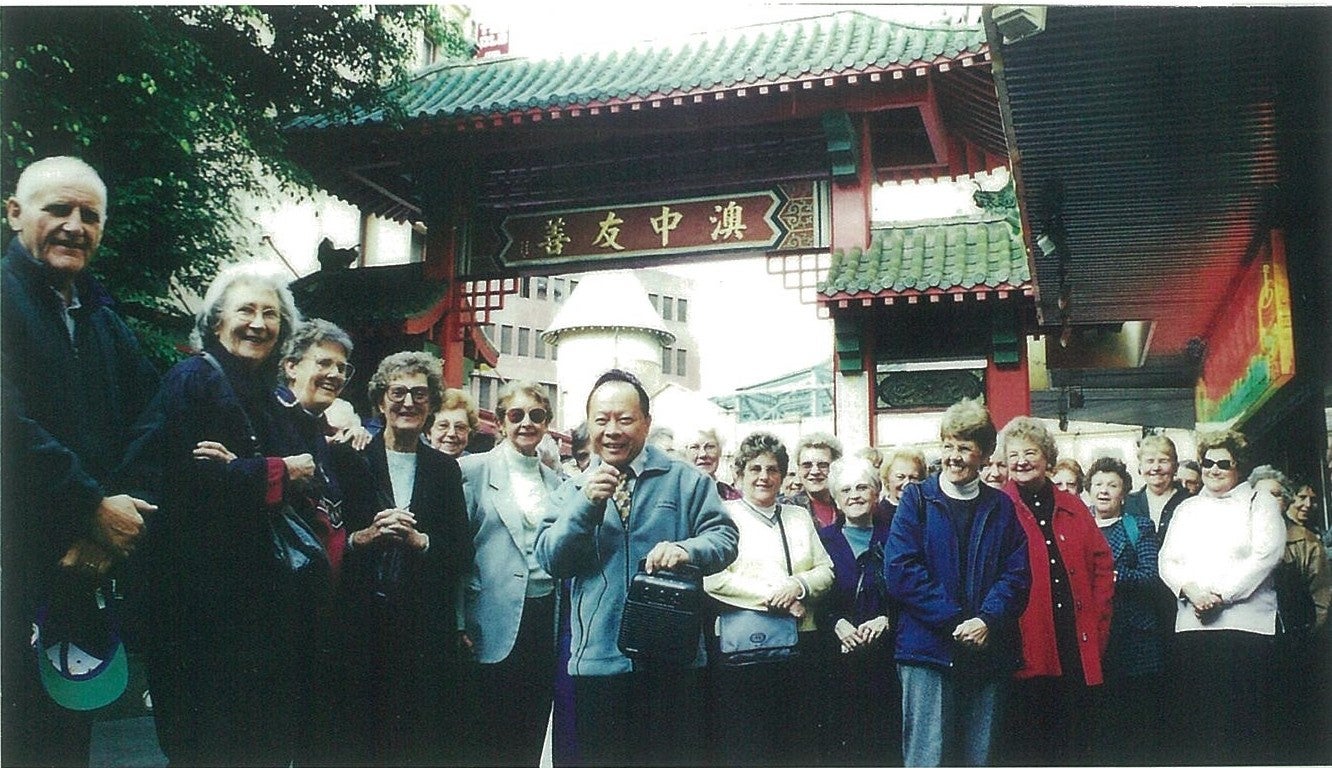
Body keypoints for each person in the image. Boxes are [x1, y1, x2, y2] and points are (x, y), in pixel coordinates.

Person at [120, 263, 315, 765]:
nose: (258, 323)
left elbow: (311, 475)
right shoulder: (192, 380)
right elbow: (187, 484)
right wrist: (269, 473)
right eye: (246, 310)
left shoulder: (271, 397)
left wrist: (251, 471)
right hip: (197, 611)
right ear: (216, 320)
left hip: (262, 611)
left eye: (270, 314)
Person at [1, 156, 160, 767]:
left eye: (88, 216)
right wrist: (91, 506)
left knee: (63, 744)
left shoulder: (104, 322)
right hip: (11, 565)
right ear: (15, 214)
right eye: (57, 209)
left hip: (78, 573)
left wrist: (107, 528)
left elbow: (154, 422)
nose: (73, 225)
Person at [535, 369, 739, 767]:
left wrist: (687, 550)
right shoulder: (571, 490)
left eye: (625, 419)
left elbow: (725, 540)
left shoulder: (686, 481)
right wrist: (585, 507)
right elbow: (550, 560)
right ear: (588, 423)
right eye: (602, 419)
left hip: (673, 662)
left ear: (646, 422)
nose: (612, 430)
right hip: (597, 662)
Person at [341, 351, 471, 765]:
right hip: (358, 624)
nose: (408, 402)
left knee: (414, 743)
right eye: (398, 392)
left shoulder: (444, 469)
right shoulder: (351, 458)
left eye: (420, 394)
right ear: (380, 401)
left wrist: (421, 541)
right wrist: (365, 536)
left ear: (431, 405)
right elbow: (325, 535)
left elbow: (462, 551)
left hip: (422, 631)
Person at [884, 398, 1030, 767]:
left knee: (979, 758)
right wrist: (954, 621)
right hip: (926, 651)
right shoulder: (917, 499)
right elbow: (901, 570)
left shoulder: (1000, 506)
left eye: (964, 448)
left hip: (986, 649)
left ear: (984, 454)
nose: (954, 456)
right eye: (948, 445)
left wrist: (985, 621)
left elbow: (1016, 575)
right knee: (928, 757)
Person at [704, 431, 834, 767]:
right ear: (740, 474)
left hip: (799, 646)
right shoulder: (722, 516)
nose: (764, 476)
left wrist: (798, 586)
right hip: (743, 652)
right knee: (748, 746)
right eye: (755, 469)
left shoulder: (798, 516)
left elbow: (826, 571)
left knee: (797, 744)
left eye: (773, 469)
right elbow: (712, 578)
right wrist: (773, 596)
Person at [1157, 429, 1284, 765]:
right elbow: (1167, 560)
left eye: (1222, 463)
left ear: (1238, 465)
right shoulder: (1187, 508)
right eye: (1207, 462)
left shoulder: (1261, 502)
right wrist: (1192, 592)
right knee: (1201, 722)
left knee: (1245, 723)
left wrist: (1220, 596)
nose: (1213, 469)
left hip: (1247, 628)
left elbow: (1266, 556)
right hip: (1194, 627)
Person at [459, 380, 564, 766]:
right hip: (488, 617)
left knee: (528, 733)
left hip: (542, 620)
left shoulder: (558, 483)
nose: (526, 423)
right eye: (515, 415)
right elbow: (457, 553)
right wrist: (458, 620)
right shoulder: (470, 470)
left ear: (548, 423)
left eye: (536, 416)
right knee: (484, 735)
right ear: (501, 422)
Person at [998, 416, 1114, 766]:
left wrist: (1097, 625)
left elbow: (1101, 564)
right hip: (1026, 641)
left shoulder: (1073, 503)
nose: (1021, 461)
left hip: (1075, 638)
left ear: (1047, 456)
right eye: (1013, 454)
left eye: (1030, 452)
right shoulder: (999, 506)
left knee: (1076, 737)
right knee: (1032, 738)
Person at [820, 458, 899, 767]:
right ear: (836, 499)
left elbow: (910, 592)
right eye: (846, 489)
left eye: (862, 487)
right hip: (836, 662)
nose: (854, 495)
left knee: (884, 745)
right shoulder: (822, 540)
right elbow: (816, 597)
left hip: (886, 661)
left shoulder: (896, 537)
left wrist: (887, 619)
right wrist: (835, 623)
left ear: (876, 492)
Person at [1085, 457, 1164, 765]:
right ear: (1088, 490)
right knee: (1100, 722)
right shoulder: (1080, 527)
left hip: (1135, 641)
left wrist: (1111, 576)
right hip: (1095, 640)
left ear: (1124, 492)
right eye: (1098, 485)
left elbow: (1150, 576)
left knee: (1136, 724)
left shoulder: (1138, 527)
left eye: (1112, 485)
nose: (1104, 491)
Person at [1250, 466, 1331, 765]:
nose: (1268, 501)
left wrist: (1306, 641)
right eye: (1260, 494)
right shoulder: (1239, 538)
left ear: (1285, 501)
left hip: (1294, 646)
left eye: (1275, 495)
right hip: (1252, 643)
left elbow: (1322, 597)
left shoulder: (1306, 541)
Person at [1124, 434, 1190, 542]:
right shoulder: (1128, 503)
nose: (1156, 468)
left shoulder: (1189, 501)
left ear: (1175, 466)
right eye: (1150, 461)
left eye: (1163, 461)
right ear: (1140, 467)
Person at [784, 432, 844, 528]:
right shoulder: (786, 509)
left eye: (823, 465)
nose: (815, 471)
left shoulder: (846, 504)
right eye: (807, 465)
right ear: (799, 470)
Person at [683, 424, 741, 501]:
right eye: (695, 447)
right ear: (685, 453)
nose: (703, 454)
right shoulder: (674, 494)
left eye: (710, 447)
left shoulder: (734, 497)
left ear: (720, 452)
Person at [878, 447, 926, 524]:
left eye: (913, 478)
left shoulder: (927, 512)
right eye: (900, 477)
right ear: (887, 478)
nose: (907, 484)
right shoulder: (878, 516)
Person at [429, 387, 479, 458]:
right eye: (443, 426)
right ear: (428, 432)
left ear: (469, 434)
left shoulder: (474, 465)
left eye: (460, 427)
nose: (451, 433)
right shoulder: (415, 463)